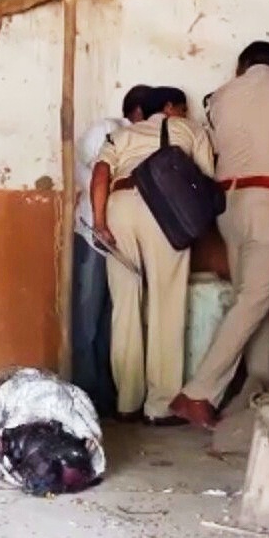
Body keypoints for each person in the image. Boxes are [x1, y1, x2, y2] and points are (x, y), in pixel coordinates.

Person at [170, 41, 269, 428]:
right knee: (256, 297)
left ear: (242, 67)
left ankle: (262, 390)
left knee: (260, 300)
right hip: (268, 201)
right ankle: (197, 393)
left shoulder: (220, 96)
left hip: (228, 206)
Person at [91, 87, 214, 425]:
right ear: (169, 107)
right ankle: (159, 407)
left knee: (125, 305)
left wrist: (100, 222)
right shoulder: (191, 130)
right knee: (166, 304)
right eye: (183, 109)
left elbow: (100, 173)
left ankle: (127, 402)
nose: (186, 115)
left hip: (118, 206)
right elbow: (206, 180)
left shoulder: (122, 135)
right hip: (165, 211)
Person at [72, 85, 152, 417]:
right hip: (94, 233)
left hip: (121, 240)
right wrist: (103, 218)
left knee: (111, 320)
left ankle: (105, 395)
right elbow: (92, 173)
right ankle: (84, 394)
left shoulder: (141, 139)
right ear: (140, 111)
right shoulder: (107, 129)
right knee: (87, 318)